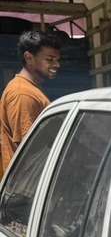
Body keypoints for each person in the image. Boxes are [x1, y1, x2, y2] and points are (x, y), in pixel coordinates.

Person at [0, 29, 62, 176]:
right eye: (50, 59)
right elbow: (28, 149)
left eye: (57, 59)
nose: (57, 65)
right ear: (29, 57)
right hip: (25, 184)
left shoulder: (29, 89)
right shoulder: (22, 93)